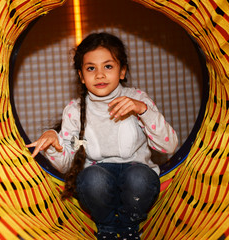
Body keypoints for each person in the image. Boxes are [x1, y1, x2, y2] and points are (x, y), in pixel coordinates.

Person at [26, 32, 178, 240]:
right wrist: (56, 145)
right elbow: (70, 162)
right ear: (81, 76)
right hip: (97, 187)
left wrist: (143, 110)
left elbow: (168, 147)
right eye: (91, 68)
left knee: (139, 178)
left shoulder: (137, 99)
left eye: (108, 66)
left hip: (137, 184)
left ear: (122, 71)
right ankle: (106, 227)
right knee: (92, 178)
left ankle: (128, 227)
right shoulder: (75, 111)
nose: (99, 75)